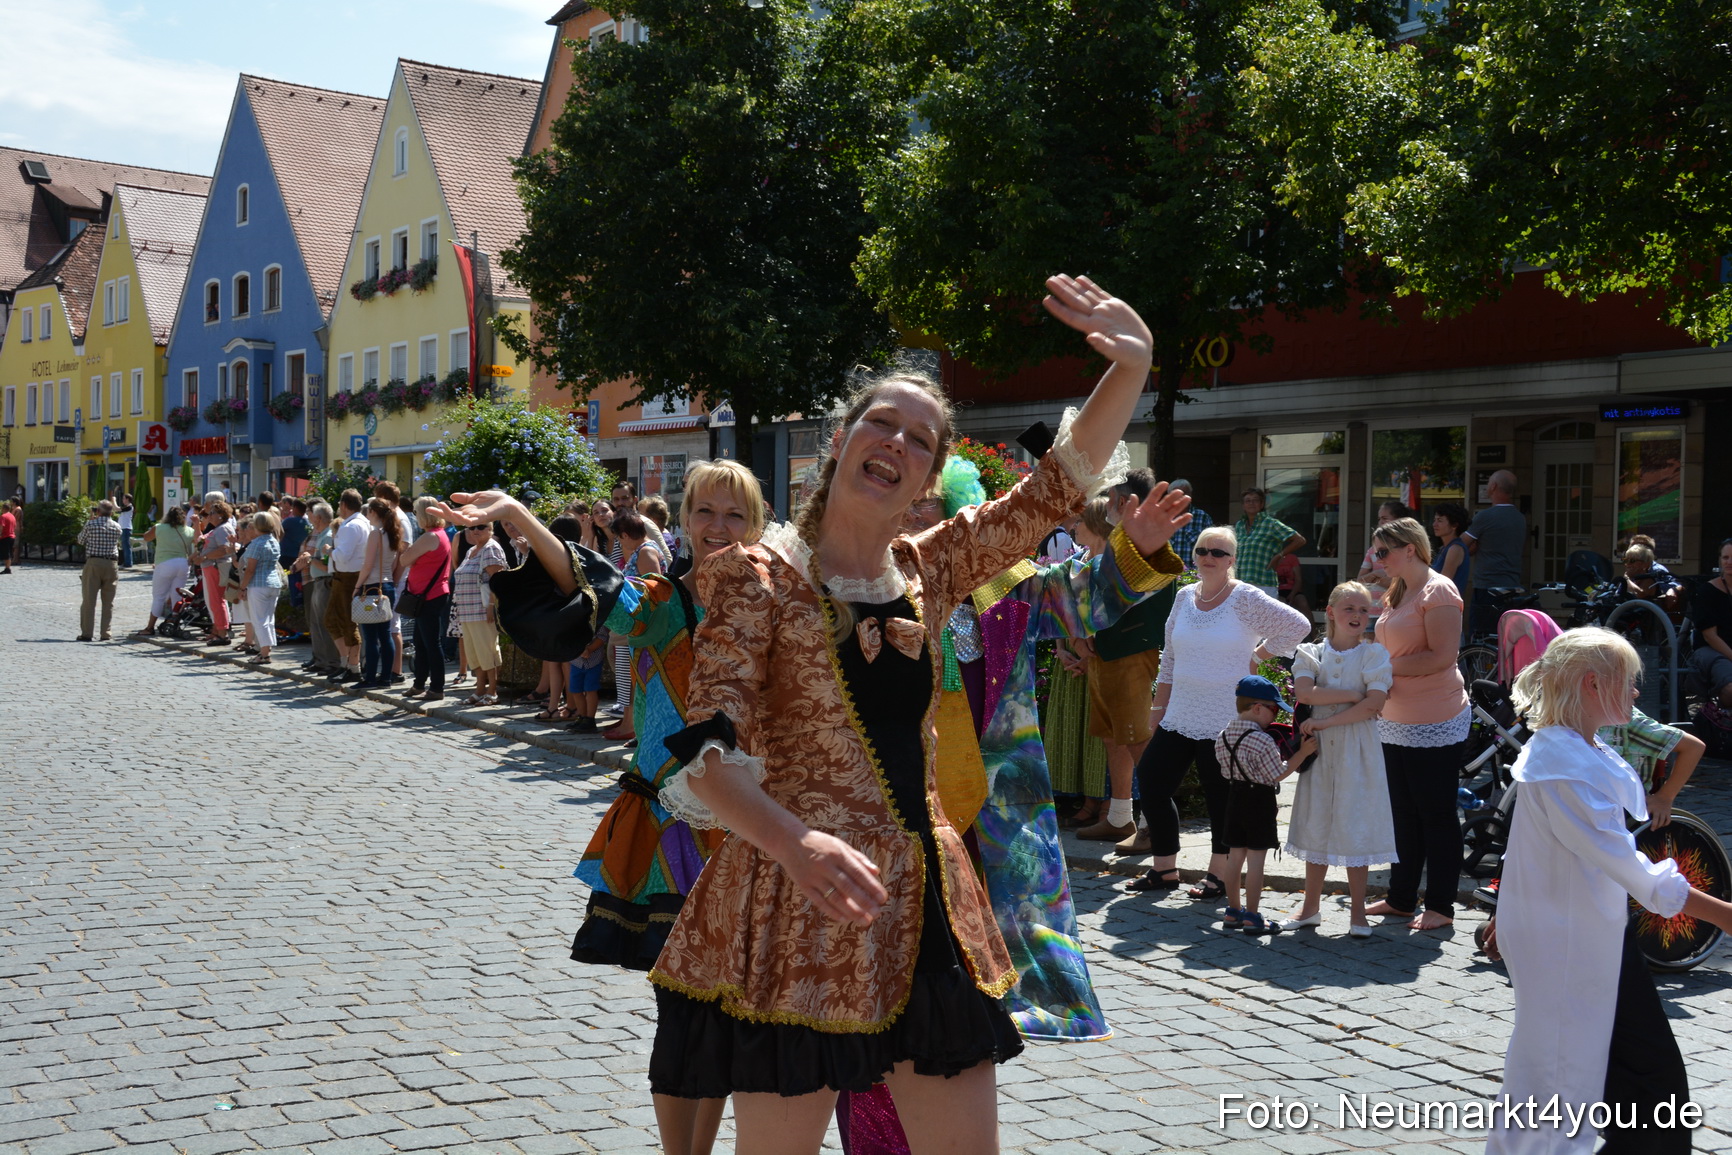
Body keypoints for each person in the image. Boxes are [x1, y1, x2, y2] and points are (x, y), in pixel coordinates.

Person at [553, 275, 1180, 1151]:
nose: (898, 442)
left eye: (920, 439)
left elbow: (1051, 491)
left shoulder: (931, 565)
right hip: (795, 906)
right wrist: (795, 841)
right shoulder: (755, 579)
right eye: (881, 422)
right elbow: (707, 755)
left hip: (926, 904)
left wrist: (1133, 365)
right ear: (841, 440)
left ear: (927, 472)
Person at [1487, 628, 1732, 1155]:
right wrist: (1726, 915)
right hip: (1569, 941)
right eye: (1630, 682)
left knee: (1620, 1079)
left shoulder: (1570, 750)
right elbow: (1631, 868)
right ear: (1595, 685)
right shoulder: (1563, 765)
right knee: (1562, 1076)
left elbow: (1538, 851)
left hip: (1584, 934)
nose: (1638, 693)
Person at [1128, 524, 1311, 898]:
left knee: (1220, 798)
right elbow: (1170, 659)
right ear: (1193, 555)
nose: (1208, 557)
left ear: (1232, 561)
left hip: (1225, 717)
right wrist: (1157, 709)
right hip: (1180, 711)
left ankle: (1219, 876)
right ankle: (1164, 869)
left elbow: (1299, 625)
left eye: (1218, 552)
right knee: (1151, 783)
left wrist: (1257, 655)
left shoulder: (1245, 598)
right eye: (1202, 550)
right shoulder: (1182, 597)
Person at [1365, 516, 1468, 931]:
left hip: (1434, 718)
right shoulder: (1398, 589)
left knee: (1436, 814)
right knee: (1403, 814)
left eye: (1383, 551)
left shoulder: (1439, 589)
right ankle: (1401, 898)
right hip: (1396, 719)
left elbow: (1442, 656)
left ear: (1410, 549)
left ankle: (1441, 906)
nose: (1377, 558)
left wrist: (1382, 668)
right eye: (1376, 551)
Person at [1283, 582, 1395, 936]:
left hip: (1356, 750)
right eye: (1350, 608)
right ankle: (1310, 907)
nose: (1359, 616)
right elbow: (1304, 691)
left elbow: (1374, 703)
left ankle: (1358, 913)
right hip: (1317, 750)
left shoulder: (1374, 655)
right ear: (1330, 612)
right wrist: (1351, 694)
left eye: (1364, 610)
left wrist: (1328, 718)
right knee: (1318, 820)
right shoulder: (1311, 652)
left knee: (1354, 823)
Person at [1077, 469, 1177, 848]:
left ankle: (1155, 825)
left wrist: (1086, 628)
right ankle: (1121, 818)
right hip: (1111, 646)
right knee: (1113, 736)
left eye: (1113, 497)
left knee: (1135, 737)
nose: (1109, 506)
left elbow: (1133, 593)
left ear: (1125, 500)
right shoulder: (1122, 536)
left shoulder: (1146, 538)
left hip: (1132, 648)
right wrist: (1085, 633)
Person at [1215, 675, 1316, 935]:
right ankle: (1253, 915)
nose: (1273, 717)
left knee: (1234, 856)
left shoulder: (1223, 736)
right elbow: (1277, 774)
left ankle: (1233, 910)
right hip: (1258, 801)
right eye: (1273, 710)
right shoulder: (1262, 740)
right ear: (1258, 707)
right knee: (1257, 860)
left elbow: (1225, 771)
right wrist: (1302, 753)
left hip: (1233, 798)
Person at [601, 510, 664, 741]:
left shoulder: (646, 551)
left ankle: (632, 726)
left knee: (633, 678)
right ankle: (630, 723)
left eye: (618, 537)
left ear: (626, 535)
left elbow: (655, 590)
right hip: (632, 625)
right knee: (629, 678)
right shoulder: (642, 550)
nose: (618, 542)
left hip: (638, 626)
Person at [399, 497, 454, 701]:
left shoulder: (430, 537)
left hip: (429, 595)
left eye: (415, 512)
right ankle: (419, 684)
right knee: (421, 642)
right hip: (430, 594)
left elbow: (405, 560)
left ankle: (437, 688)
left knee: (431, 643)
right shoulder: (439, 535)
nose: (414, 516)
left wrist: (408, 554)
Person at [451, 523, 507, 706]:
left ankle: (492, 691)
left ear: (491, 529)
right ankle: (479, 690)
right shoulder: (472, 550)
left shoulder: (491, 548)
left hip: (482, 609)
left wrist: (491, 605)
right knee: (474, 653)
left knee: (487, 651)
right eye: (472, 527)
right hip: (466, 610)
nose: (476, 530)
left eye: (481, 526)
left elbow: (497, 580)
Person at [1465, 469, 1525, 636]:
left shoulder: (1485, 517)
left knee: (1481, 636)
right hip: (1512, 585)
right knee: (1505, 637)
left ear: (1493, 486)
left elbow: (1460, 545)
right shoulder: (1519, 518)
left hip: (1487, 587)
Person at [354, 497, 402, 688]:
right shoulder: (393, 533)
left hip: (372, 586)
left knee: (371, 636)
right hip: (387, 586)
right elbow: (397, 564)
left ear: (373, 512)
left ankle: (370, 678)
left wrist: (357, 587)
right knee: (385, 634)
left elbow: (367, 565)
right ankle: (386, 678)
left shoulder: (375, 534)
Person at [324, 490, 370, 684]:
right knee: (334, 620)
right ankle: (347, 664)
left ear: (344, 505)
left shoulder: (350, 526)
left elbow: (343, 556)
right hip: (349, 576)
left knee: (347, 622)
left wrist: (330, 551)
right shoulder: (363, 522)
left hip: (348, 577)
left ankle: (353, 667)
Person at [292, 503, 341, 676]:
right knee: (317, 623)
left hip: (324, 581)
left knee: (324, 623)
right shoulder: (322, 535)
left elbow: (328, 565)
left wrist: (310, 559)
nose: (308, 516)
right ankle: (321, 660)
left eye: (310, 513)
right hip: (317, 580)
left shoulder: (327, 536)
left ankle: (331, 662)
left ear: (319, 517)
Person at [1233, 487, 1304, 597]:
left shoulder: (1271, 523)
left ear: (1261, 504)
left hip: (1263, 583)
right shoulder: (1239, 525)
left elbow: (1299, 540)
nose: (1251, 503)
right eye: (1248, 500)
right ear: (1243, 506)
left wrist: (1279, 556)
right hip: (1241, 582)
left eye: (1255, 500)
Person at [136, 507, 195, 637]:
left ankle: (150, 627)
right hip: (183, 563)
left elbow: (146, 538)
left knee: (159, 597)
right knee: (177, 596)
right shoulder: (189, 530)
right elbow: (196, 544)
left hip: (165, 563)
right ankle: (174, 623)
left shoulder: (159, 527)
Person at [239, 511, 283, 664]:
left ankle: (264, 653)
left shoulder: (256, 543)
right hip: (274, 583)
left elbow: (250, 569)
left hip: (258, 584)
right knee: (269, 619)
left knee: (259, 620)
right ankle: (267, 650)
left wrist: (242, 587)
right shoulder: (274, 541)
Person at [76, 500, 123, 641]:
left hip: (94, 563)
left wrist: (91, 521)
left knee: (89, 599)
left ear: (98, 511)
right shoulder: (117, 526)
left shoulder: (91, 524)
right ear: (111, 512)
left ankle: (87, 633)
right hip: (111, 564)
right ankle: (105, 633)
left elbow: (80, 540)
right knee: (108, 602)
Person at [191, 497, 236, 644]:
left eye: (212, 513)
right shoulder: (217, 529)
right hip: (211, 567)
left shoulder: (223, 528)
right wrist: (197, 524)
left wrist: (204, 557)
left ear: (220, 515)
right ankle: (218, 630)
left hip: (216, 567)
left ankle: (222, 634)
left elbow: (225, 549)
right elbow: (198, 542)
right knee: (213, 601)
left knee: (217, 601)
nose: (209, 515)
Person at [1618, 540, 1682, 615]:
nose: (1627, 564)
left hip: (1643, 619)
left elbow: (1640, 594)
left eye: (1632, 561)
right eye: (1625, 560)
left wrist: (1626, 579)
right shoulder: (1633, 578)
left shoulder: (1649, 579)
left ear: (1645, 564)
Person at [1166, 478, 1211, 568]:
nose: (1182, 497)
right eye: (1178, 494)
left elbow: (1211, 548)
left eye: (1185, 493)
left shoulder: (1202, 517)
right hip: (1167, 576)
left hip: (1194, 576)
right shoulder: (1163, 518)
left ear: (1190, 495)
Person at [1431, 503, 1471, 599]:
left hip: (1446, 605)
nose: (1434, 524)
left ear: (1454, 525)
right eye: (1434, 520)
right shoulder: (1444, 548)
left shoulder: (1455, 549)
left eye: (1440, 521)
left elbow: (1442, 584)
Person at [114, 491, 135, 568]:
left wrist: (114, 500)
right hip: (123, 528)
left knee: (126, 546)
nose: (123, 500)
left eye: (123, 498)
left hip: (126, 528)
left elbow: (116, 508)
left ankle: (128, 563)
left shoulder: (129, 507)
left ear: (127, 499)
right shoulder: (127, 507)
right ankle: (125, 562)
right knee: (124, 546)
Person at [0, 496, 19, 573]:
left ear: (4, 509)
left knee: (6, 553)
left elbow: (1, 527)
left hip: (5, 536)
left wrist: (0, 534)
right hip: (12, 536)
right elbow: (14, 526)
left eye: (1, 508)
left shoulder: (3, 516)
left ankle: (7, 568)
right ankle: (7, 568)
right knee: (9, 552)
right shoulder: (12, 516)